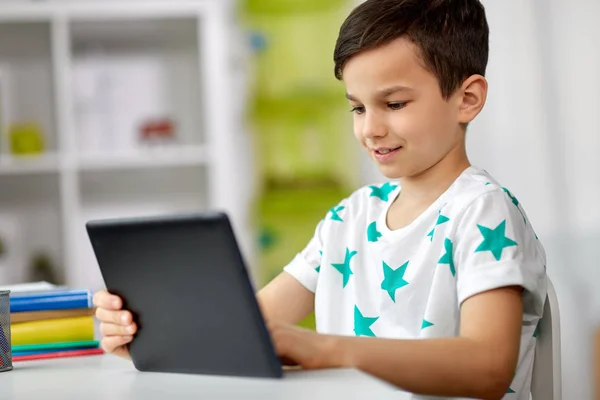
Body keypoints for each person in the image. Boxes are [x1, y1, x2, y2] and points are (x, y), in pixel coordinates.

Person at [93, 1, 547, 398]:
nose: (370, 128)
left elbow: (488, 368)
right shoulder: (348, 219)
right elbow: (243, 332)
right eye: (357, 107)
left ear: (467, 99)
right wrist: (148, 334)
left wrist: (326, 350)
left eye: (394, 104)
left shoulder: (482, 212)